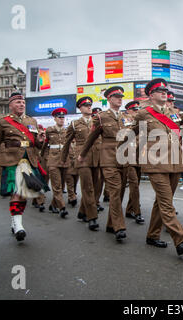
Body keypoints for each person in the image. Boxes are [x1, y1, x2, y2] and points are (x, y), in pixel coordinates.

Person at [131, 78, 183, 255]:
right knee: (167, 203)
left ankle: (152, 235)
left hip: (175, 163)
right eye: (159, 90)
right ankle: (180, 240)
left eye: (165, 90)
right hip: (155, 163)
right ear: (151, 94)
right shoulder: (143, 114)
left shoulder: (173, 113)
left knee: (161, 202)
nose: (164, 92)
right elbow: (131, 134)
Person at [79, 86, 135, 242]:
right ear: (109, 99)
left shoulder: (127, 117)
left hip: (124, 158)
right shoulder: (101, 117)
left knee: (121, 191)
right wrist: (82, 155)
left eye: (121, 96)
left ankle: (111, 224)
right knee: (115, 190)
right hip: (108, 158)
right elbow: (91, 137)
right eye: (116, 96)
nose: (120, 98)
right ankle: (119, 227)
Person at [0, 92, 47, 241]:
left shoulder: (32, 121)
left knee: (24, 194)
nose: (21, 104)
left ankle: (15, 221)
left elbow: (36, 146)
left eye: (22, 102)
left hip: (29, 160)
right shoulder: (3, 122)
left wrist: (40, 141)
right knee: (16, 191)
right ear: (11, 105)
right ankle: (18, 225)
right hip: (11, 159)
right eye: (17, 102)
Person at [61, 96, 100, 231]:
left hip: (96, 157)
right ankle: (92, 217)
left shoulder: (97, 120)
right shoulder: (74, 124)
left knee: (95, 188)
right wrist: (63, 159)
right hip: (82, 158)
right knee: (88, 187)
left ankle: (82, 211)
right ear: (80, 108)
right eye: (85, 105)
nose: (89, 107)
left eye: (90, 105)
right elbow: (66, 143)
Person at [41, 108, 70, 218]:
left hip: (64, 160)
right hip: (52, 160)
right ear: (55, 118)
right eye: (59, 117)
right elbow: (45, 144)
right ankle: (62, 207)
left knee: (61, 185)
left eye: (63, 117)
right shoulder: (49, 130)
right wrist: (43, 156)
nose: (62, 119)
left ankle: (53, 205)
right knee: (56, 185)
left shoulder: (67, 131)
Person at [124, 100, 145, 224]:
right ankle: (137, 212)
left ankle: (129, 209)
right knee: (134, 185)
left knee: (136, 184)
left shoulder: (141, 122)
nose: (136, 112)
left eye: (138, 110)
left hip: (139, 157)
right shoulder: (125, 120)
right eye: (134, 110)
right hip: (128, 157)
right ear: (128, 111)